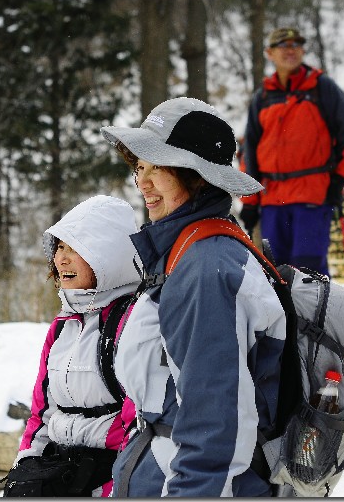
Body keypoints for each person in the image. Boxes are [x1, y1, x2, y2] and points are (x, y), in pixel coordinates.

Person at [100, 97, 287, 496]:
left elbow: (216, 428)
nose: (142, 183)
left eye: (158, 167)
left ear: (196, 176)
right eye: (139, 166)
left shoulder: (205, 268)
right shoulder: (186, 250)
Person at [6, 195, 140, 497]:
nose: (61, 259)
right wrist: (24, 470)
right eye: (60, 247)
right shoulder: (62, 327)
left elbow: (139, 427)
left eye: (75, 248)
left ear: (107, 255)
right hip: (63, 472)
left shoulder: (133, 321)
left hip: (110, 475)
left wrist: (107, 489)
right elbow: (42, 414)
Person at [240, 27, 344, 276]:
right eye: (283, 45)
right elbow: (250, 151)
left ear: (303, 50)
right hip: (273, 199)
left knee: (308, 271)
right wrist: (250, 200)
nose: (290, 50)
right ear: (270, 53)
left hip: (312, 196)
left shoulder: (322, 88)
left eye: (296, 44)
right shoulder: (263, 97)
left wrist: (339, 179)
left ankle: (317, 317)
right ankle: (283, 318)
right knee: (275, 270)